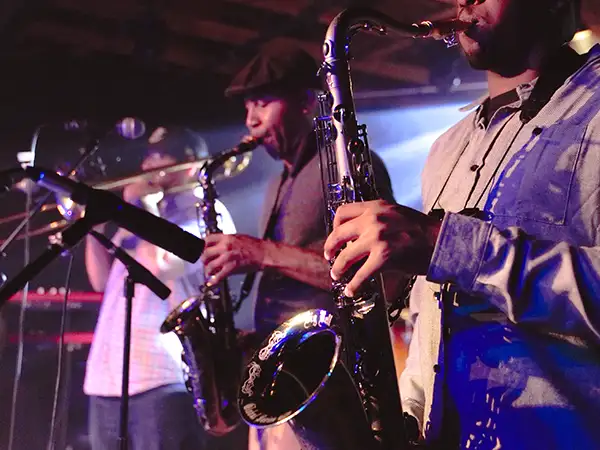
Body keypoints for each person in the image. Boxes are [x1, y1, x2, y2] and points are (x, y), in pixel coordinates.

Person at [324, 0, 600, 448]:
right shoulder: (444, 150)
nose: (465, 2)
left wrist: (450, 247)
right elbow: (427, 323)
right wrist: (408, 415)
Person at [201, 41, 396, 450]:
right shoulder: (277, 183)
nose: (251, 120)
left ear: (307, 102)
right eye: (247, 108)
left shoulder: (346, 167)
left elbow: (382, 279)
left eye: (262, 103)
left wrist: (262, 253)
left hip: (328, 379)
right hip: (280, 380)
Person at [83, 126, 244, 450]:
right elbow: (102, 281)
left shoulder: (207, 215)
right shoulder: (145, 214)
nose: (147, 165)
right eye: (148, 156)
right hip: (105, 380)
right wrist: (93, 228)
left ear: (188, 163)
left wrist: (145, 207)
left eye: (159, 156)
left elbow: (162, 264)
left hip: (160, 378)